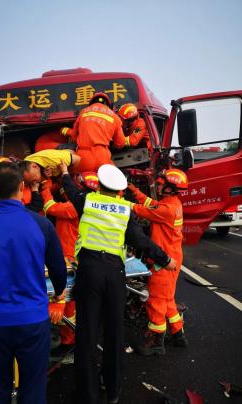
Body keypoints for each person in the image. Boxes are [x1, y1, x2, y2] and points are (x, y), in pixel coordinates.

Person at [59, 162, 176, 404]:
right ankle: (112, 391)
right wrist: (166, 260)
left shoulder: (87, 201)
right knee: (114, 333)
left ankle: (87, 395)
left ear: (99, 186)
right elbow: (141, 241)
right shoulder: (125, 210)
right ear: (120, 190)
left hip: (89, 272)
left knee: (87, 334)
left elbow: (70, 189)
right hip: (114, 274)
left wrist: (63, 172)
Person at [0, 162, 67, 404]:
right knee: (33, 386)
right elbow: (58, 271)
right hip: (33, 321)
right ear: (22, 186)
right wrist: (59, 292)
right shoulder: (42, 224)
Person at [129, 168, 189, 355]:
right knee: (168, 298)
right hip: (173, 256)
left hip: (164, 261)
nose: (159, 185)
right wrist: (136, 192)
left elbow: (143, 211)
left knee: (155, 300)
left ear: (170, 188)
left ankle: (156, 342)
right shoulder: (172, 203)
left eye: (162, 184)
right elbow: (153, 205)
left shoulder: (167, 209)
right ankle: (178, 334)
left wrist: (117, 202)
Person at [41, 172, 99, 351]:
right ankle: (68, 334)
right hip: (73, 254)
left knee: (67, 301)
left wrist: (44, 186)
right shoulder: (89, 203)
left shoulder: (73, 207)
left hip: (68, 256)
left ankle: (68, 341)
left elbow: (50, 207)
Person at [60, 93, 145, 173]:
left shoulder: (83, 112)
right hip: (103, 156)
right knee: (112, 184)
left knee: (76, 182)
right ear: (107, 104)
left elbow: (74, 136)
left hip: (83, 155)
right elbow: (121, 143)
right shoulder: (114, 117)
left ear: (91, 103)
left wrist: (67, 132)